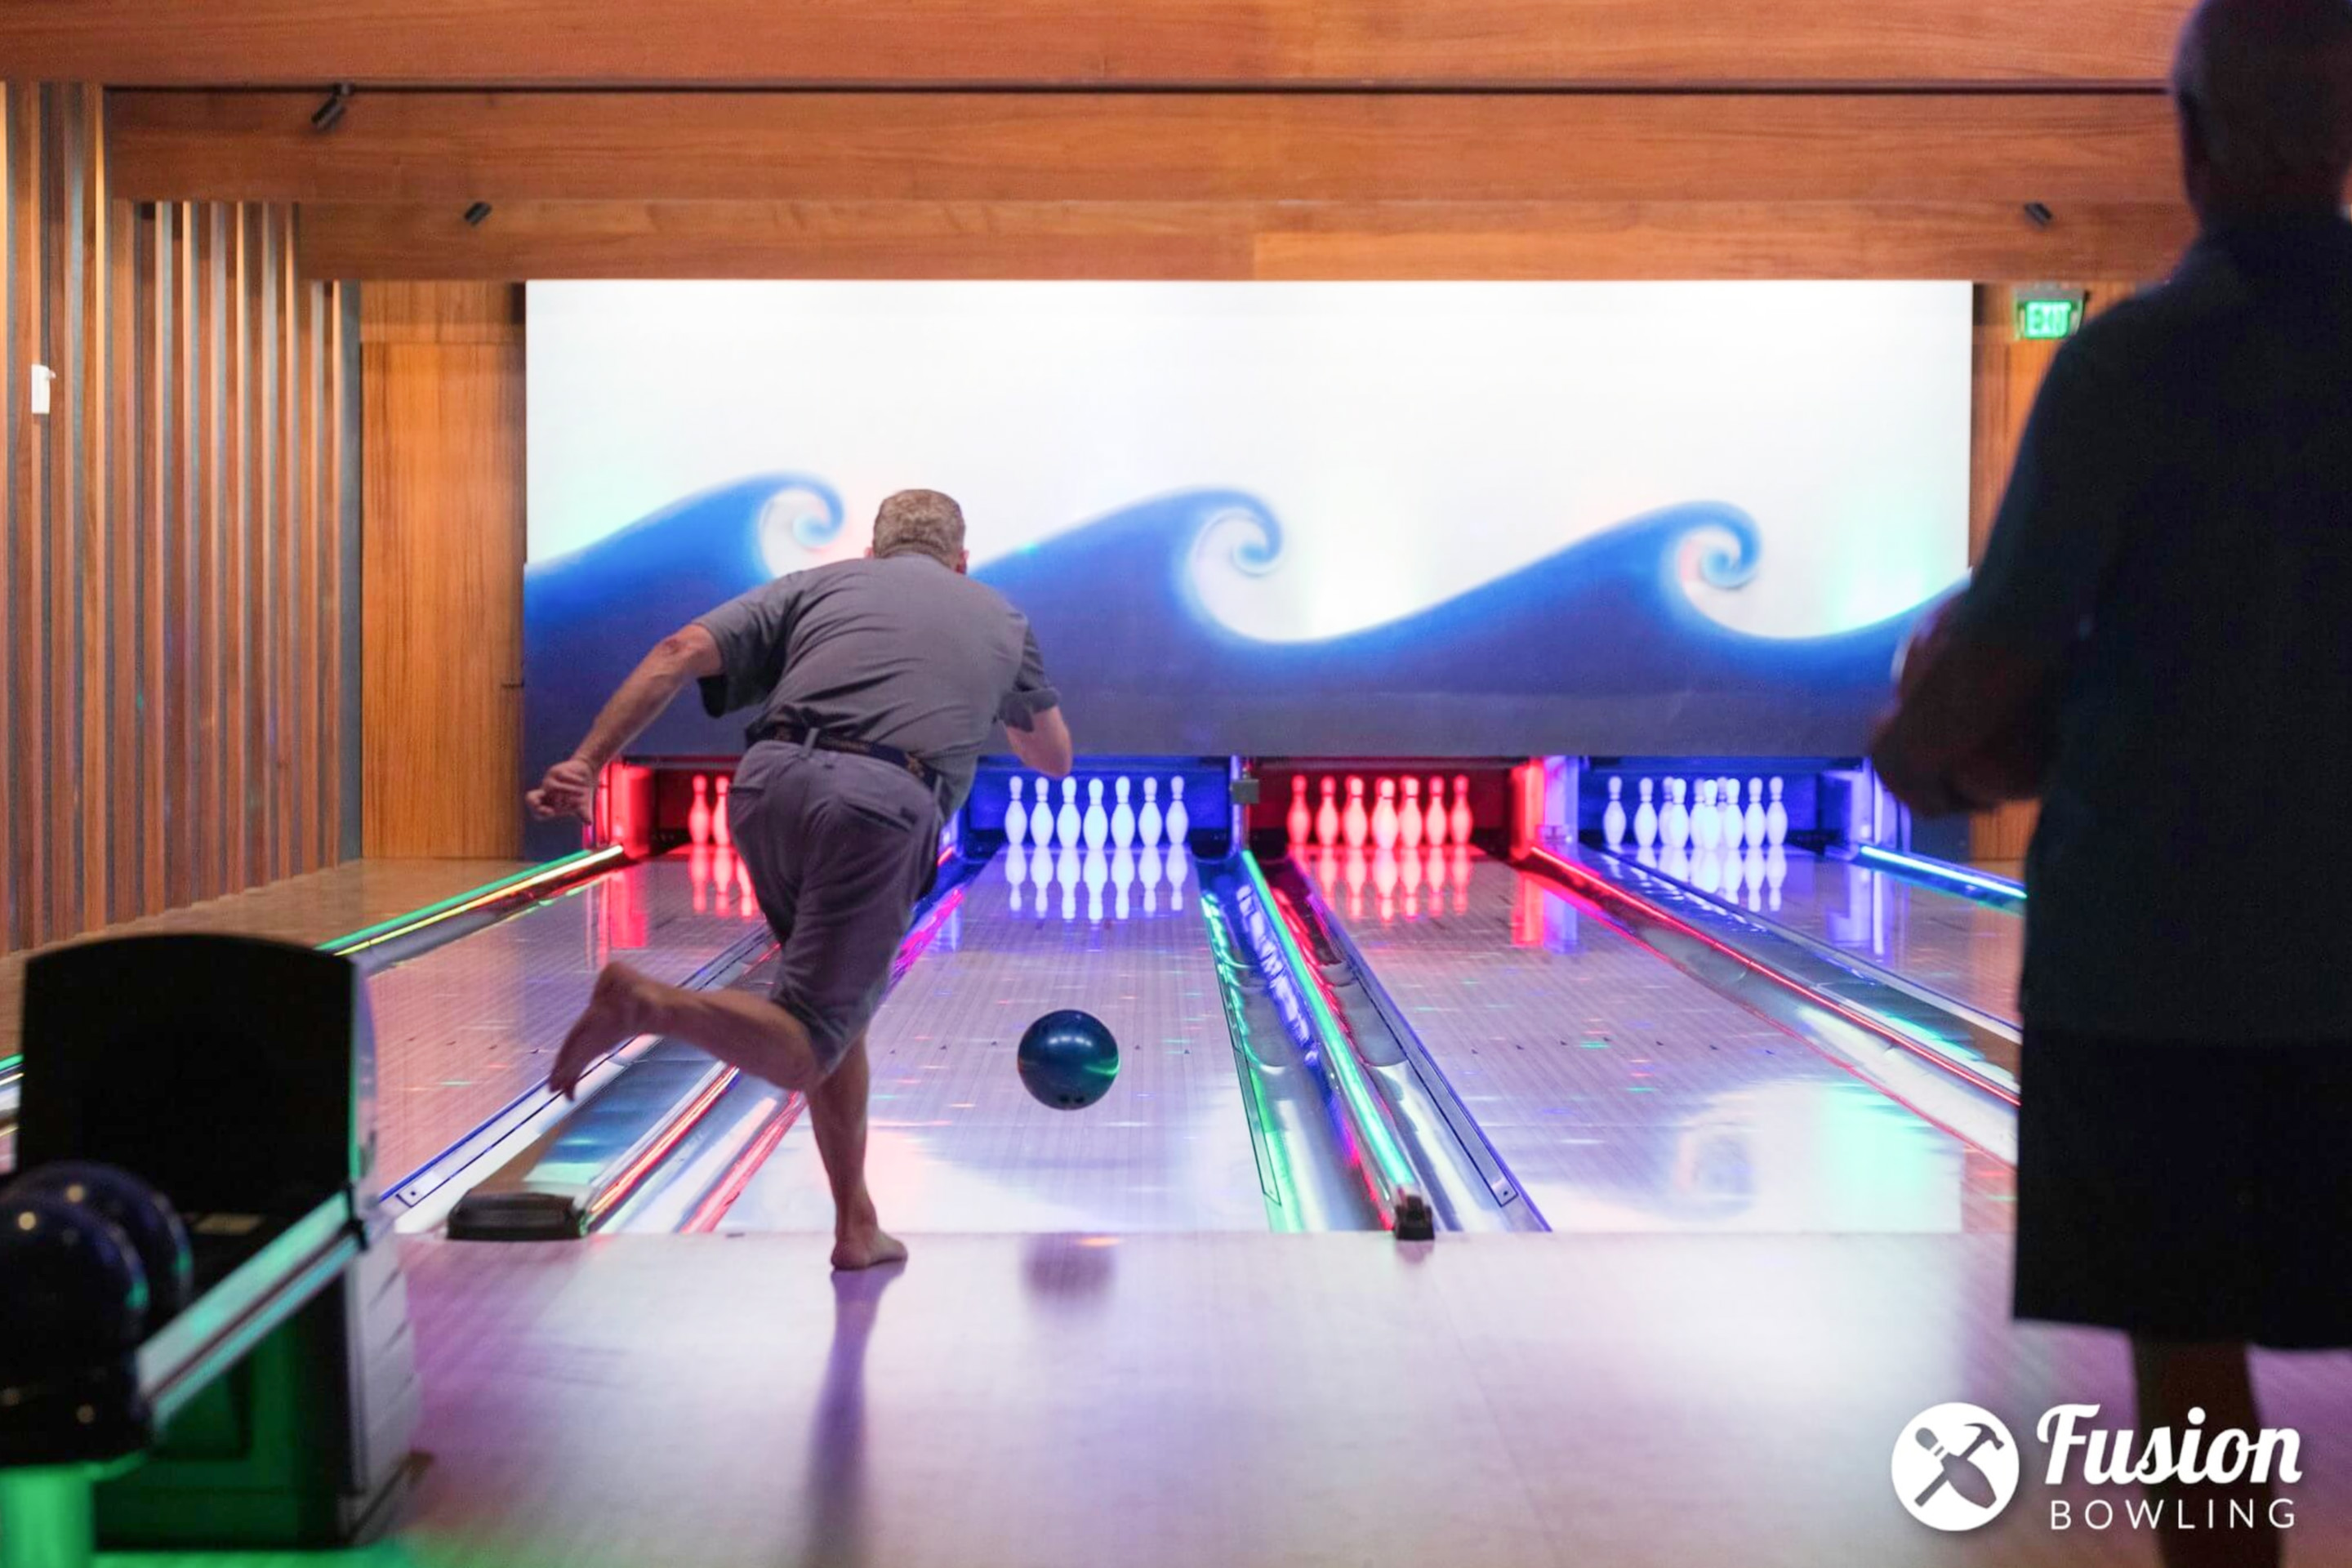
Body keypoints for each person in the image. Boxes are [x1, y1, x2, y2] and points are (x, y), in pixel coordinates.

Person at [1873, 2, 2352, 1562]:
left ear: (2191, 138)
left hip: (2160, 969)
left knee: (2192, 1377)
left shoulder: (2131, 366)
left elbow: (1999, 652)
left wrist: (1911, 744)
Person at [528, 489, 1073, 1268]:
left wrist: (587, 762)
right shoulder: (1002, 618)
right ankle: (647, 1003)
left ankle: (856, 1222)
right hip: (879, 804)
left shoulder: (815, 586)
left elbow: (677, 651)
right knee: (806, 1044)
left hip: (764, 786)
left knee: (831, 1016)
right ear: (961, 562)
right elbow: (1053, 758)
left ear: (871, 554)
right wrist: (998, 703)